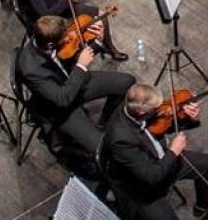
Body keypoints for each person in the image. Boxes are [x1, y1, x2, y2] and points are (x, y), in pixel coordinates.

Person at [18, 15, 134, 163]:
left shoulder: (50, 37)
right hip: (62, 108)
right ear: (50, 44)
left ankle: (105, 121)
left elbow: (72, 53)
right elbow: (62, 99)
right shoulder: (31, 69)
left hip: (75, 82)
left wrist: (97, 42)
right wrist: (80, 66)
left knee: (127, 82)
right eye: (65, 37)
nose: (70, 37)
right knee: (103, 149)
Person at [104, 81, 208, 219]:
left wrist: (192, 118)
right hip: (141, 186)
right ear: (142, 112)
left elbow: (165, 124)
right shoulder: (121, 140)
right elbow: (151, 176)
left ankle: (203, 204)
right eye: (155, 109)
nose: (162, 110)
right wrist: (173, 152)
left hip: (162, 158)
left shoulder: (136, 106)